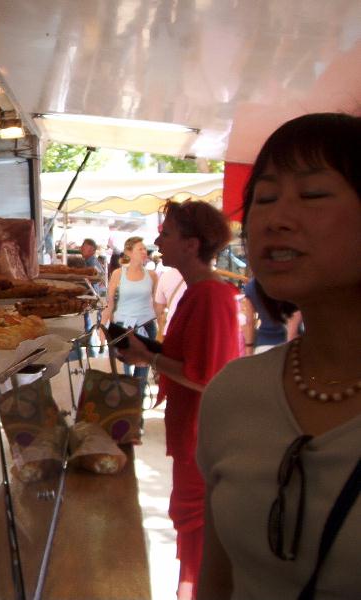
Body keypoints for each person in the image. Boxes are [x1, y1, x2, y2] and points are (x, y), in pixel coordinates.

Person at [197, 113, 361, 600]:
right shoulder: (233, 393)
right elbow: (217, 578)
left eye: (312, 194)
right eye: (264, 199)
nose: (273, 218)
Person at [116, 201, 240, 600]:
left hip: (205, 437)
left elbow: (206, 376)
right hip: (194, 434)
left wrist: (148, 355)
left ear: (191, 243)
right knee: (192, 531)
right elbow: (190, 358)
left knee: (199, 535)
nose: (156, 241)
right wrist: (149, 350)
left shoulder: (210, 295)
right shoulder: (198, 292)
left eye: (166, 234)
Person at [101, 236, 160, 383]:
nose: (144, 251)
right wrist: (102, 326)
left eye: (145, 249)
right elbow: (110, 303)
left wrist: (162, 326)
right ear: (129, 252)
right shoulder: (118, 274)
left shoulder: (152, 275)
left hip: (147, 325)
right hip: (123, 324)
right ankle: (126, 400)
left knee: (142, 371)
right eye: (140, 249)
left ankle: (138, 402)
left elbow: (156, 304)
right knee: (123, 370)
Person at [241, 276, 302, 354]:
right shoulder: (291, 281)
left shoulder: (251, 287)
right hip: (292, 344)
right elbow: (296, 313)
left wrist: (249, 349)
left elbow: (249, 322)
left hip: (264, 344)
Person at [81, 238, 106, 356]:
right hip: (91, 297)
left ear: (92, 250)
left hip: (91, 298)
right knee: (88, 324)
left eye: (84, 246)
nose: (81, 248)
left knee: (89, 325)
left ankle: (92, 351)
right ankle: (91, 349)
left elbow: (99, 280)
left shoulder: (92, 263)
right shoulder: (89, 262)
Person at [155, 266, 186, 342]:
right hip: (193, 333)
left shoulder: (166, 275)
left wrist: (161, 326)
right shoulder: (206, 277)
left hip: (169, 330)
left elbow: (159, 307)